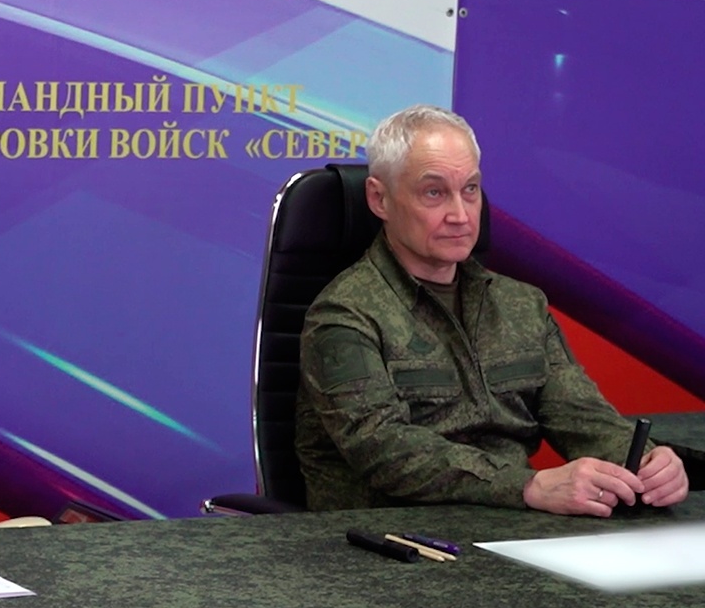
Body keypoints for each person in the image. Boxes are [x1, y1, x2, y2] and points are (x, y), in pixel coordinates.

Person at [295, 104, 689, 516]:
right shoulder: (344, 315)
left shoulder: (521, 305)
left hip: (511, 527)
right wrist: (527, 486)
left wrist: (645, 461)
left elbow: (581, 415)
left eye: (470, 189)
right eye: (434, 193)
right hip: (387, 533)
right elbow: (383, 448)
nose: (460, 215)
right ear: (379, 199)